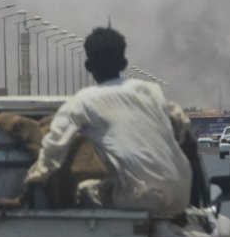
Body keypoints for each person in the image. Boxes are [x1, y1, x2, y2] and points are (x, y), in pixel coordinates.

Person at [24, 26, 192, 217]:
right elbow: (184, 128)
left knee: (85, 191)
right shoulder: (151, 91)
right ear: (124, 63)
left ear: (88, 66)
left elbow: (52, 150)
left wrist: (23, 196)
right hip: (181, 197)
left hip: (139, 199)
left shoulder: (82, 101)